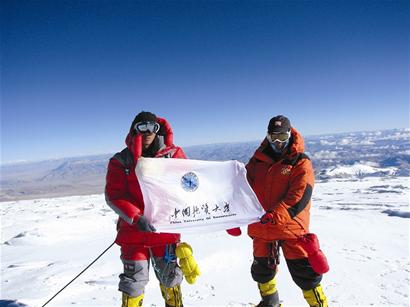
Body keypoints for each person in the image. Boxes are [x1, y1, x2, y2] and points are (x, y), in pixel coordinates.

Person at [105, 111, 187, 307]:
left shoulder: (173, 155)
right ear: (134, 130)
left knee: (170, 278)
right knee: (134, 281)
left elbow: (188, 185)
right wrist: (136, 217)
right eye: (143, 127)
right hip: (134, 232)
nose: (148, 132)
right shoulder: (121, 161)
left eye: (153, 127)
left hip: (163, 230)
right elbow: (114, 195)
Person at [245, 115, 328, 307]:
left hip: (290, 227)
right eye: (274, 137)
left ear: (290, 135)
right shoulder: (257, 162)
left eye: (282, 137)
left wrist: (275, 216)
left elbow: (299, 196)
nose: (278, 142)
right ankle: (270, 303)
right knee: (262, 271)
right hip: (263, 226)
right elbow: (242, 185)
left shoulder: (300, 161)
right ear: (267, 136)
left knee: (306, 275)